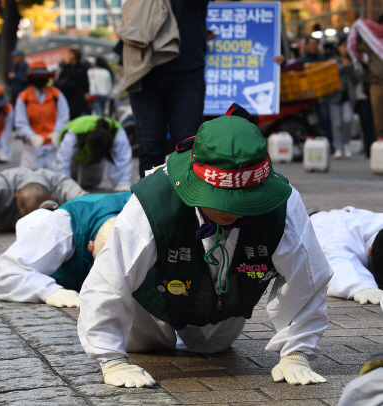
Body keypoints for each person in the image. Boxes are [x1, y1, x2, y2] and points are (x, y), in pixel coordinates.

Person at [77, 104, 333, 388]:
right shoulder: (155, 200)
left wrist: (297, 351)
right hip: (152, 300)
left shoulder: (283, 205)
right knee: (146, 344)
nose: (231, 212)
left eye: (244, 202)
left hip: (227, 306)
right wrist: (110, 357)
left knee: (214, 346)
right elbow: (109, 276)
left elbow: (308, 278)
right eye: (220, 199)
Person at [118, 0, 209, 178]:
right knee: (157, 146)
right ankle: (151, 203)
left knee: (181, 146)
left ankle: (183, 203)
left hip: (161, 68)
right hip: (152, 69)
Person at [0, 192, 131, 307]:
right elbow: (9, 270)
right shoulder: (62, 227)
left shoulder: (140, 211)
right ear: (91, 246)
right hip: (59, 259)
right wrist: (50, 291)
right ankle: (44, 212)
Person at [310, 207, 383, 305]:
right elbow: (336, 257)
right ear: (369, 250)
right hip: (314, 224)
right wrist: (363, 286)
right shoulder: (341, 238)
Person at [15, 60, 70, 170]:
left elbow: (64, 116)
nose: (40, 78)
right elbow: (20, 122)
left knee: (56, 175)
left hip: (53, 144)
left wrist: (57, 132)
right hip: (32, 147)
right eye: (37, 75)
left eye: (42, 75)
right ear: (31, 77)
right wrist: (31, 136)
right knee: (30, 178)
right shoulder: (23, 97)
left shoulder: (56, 94)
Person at [54, 115, 132, 190]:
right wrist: (63, 184)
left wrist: (123, 183)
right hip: (75, 159)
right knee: (71, 181)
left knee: (92, 182)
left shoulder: (117, 132)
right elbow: (63, 160)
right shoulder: (74, 134)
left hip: (90, 160)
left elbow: (123, 158)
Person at [350, 16, 383, 142]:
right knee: (378, 117)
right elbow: (357, 47)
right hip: (376, 83)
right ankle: (380, 143)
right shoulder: (372, 43)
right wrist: (360, 28)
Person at [328, 37, 360, 159]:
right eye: (342, 46)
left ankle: (346, 144)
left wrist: (351, 68)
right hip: (334, 97)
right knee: (336, 123)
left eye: (347, 46)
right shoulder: (333, 60)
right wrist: (342, 67)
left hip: (347, 97)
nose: (345, 49)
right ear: (338, 48)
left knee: (347, 120)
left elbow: (357, 79)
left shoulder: (353, 61)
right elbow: (330, 75)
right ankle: (338, 147)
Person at [302, 36, 333, 149]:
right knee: (310, 123)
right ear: (306, 46)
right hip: (308, 98)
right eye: (311, 44)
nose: (313, 46)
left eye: (315, 44)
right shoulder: (302, 60)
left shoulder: (322, 59)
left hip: (321, 97)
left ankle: (329, 145)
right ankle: (312, 146)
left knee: (325, 120)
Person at [54, 48, 89, 120]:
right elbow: (60, 80)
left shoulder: (82, 67)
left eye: (71, 54)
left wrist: (86, 92)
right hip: (68, 94)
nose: (69, 55)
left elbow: (85, 81)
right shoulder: (66, 68)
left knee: (78, 113)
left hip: (79, 94)